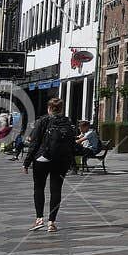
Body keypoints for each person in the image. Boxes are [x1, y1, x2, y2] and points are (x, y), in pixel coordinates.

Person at [23, 98, 78, 233]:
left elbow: (34, 143)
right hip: (61, 160)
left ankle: (39, 219)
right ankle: (52, 222)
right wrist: (73, 162)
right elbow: (72, 144)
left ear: (48, 108)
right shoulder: (68, 122)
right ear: (62, 109)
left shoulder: (42, 121)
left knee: (39, 188)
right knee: (56, 190)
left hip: (42, 159)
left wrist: (27, 162)